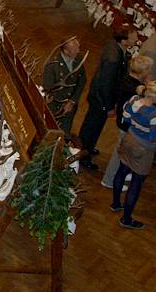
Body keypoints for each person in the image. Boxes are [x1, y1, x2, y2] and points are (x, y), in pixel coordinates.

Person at [77, 24, 136, 171]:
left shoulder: (114, 46)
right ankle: (84, 154)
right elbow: (106, 85)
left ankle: (87, 147)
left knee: (92, 125)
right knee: (93, 127)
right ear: (124, 41)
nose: (136, 39)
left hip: (99, 97)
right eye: (133, 37)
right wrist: (109, 107)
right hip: (101, 99)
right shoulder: (113, 59)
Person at [102, 55, 153, 188]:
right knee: (119, 153)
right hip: (126, 125)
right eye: (149, 70)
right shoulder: (133, 88)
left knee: (124, 150)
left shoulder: (128, 80)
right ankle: (108, 179)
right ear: (143, 72)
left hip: (125, 122)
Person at [110, 80, 156, 229]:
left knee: (122, 170)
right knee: (136, 183)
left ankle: (116, 203)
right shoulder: (154, 114)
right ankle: (126, 219)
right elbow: (152, 137)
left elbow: (126, 118)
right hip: (143, 148)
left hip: (128, 139)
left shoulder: (134, 99)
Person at [42, 37, 86, 135]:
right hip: (56, 108)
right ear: (66, 51)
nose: (78, 51)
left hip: (70, 106)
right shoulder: (52, 65)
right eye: (75, 49)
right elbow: (49, 89)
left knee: (65, 133)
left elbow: (82, 81)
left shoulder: (78, 60)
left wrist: (73, 100)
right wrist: (62, 105)